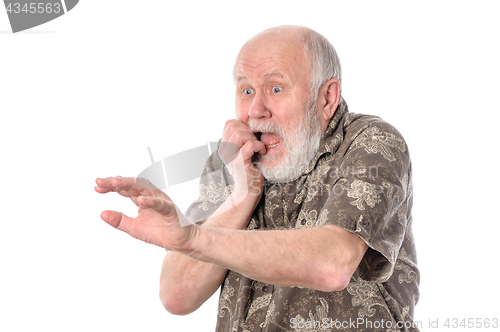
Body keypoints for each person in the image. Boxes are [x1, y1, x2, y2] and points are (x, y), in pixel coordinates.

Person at [95, 25, 420, 332]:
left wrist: (196, 240)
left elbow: (333, 264)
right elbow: (177, 296)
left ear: (327, 98)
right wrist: (242, 195)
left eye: (275, 89)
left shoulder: (372, 142)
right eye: (246, 90)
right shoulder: (231, 159)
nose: (255, 110)